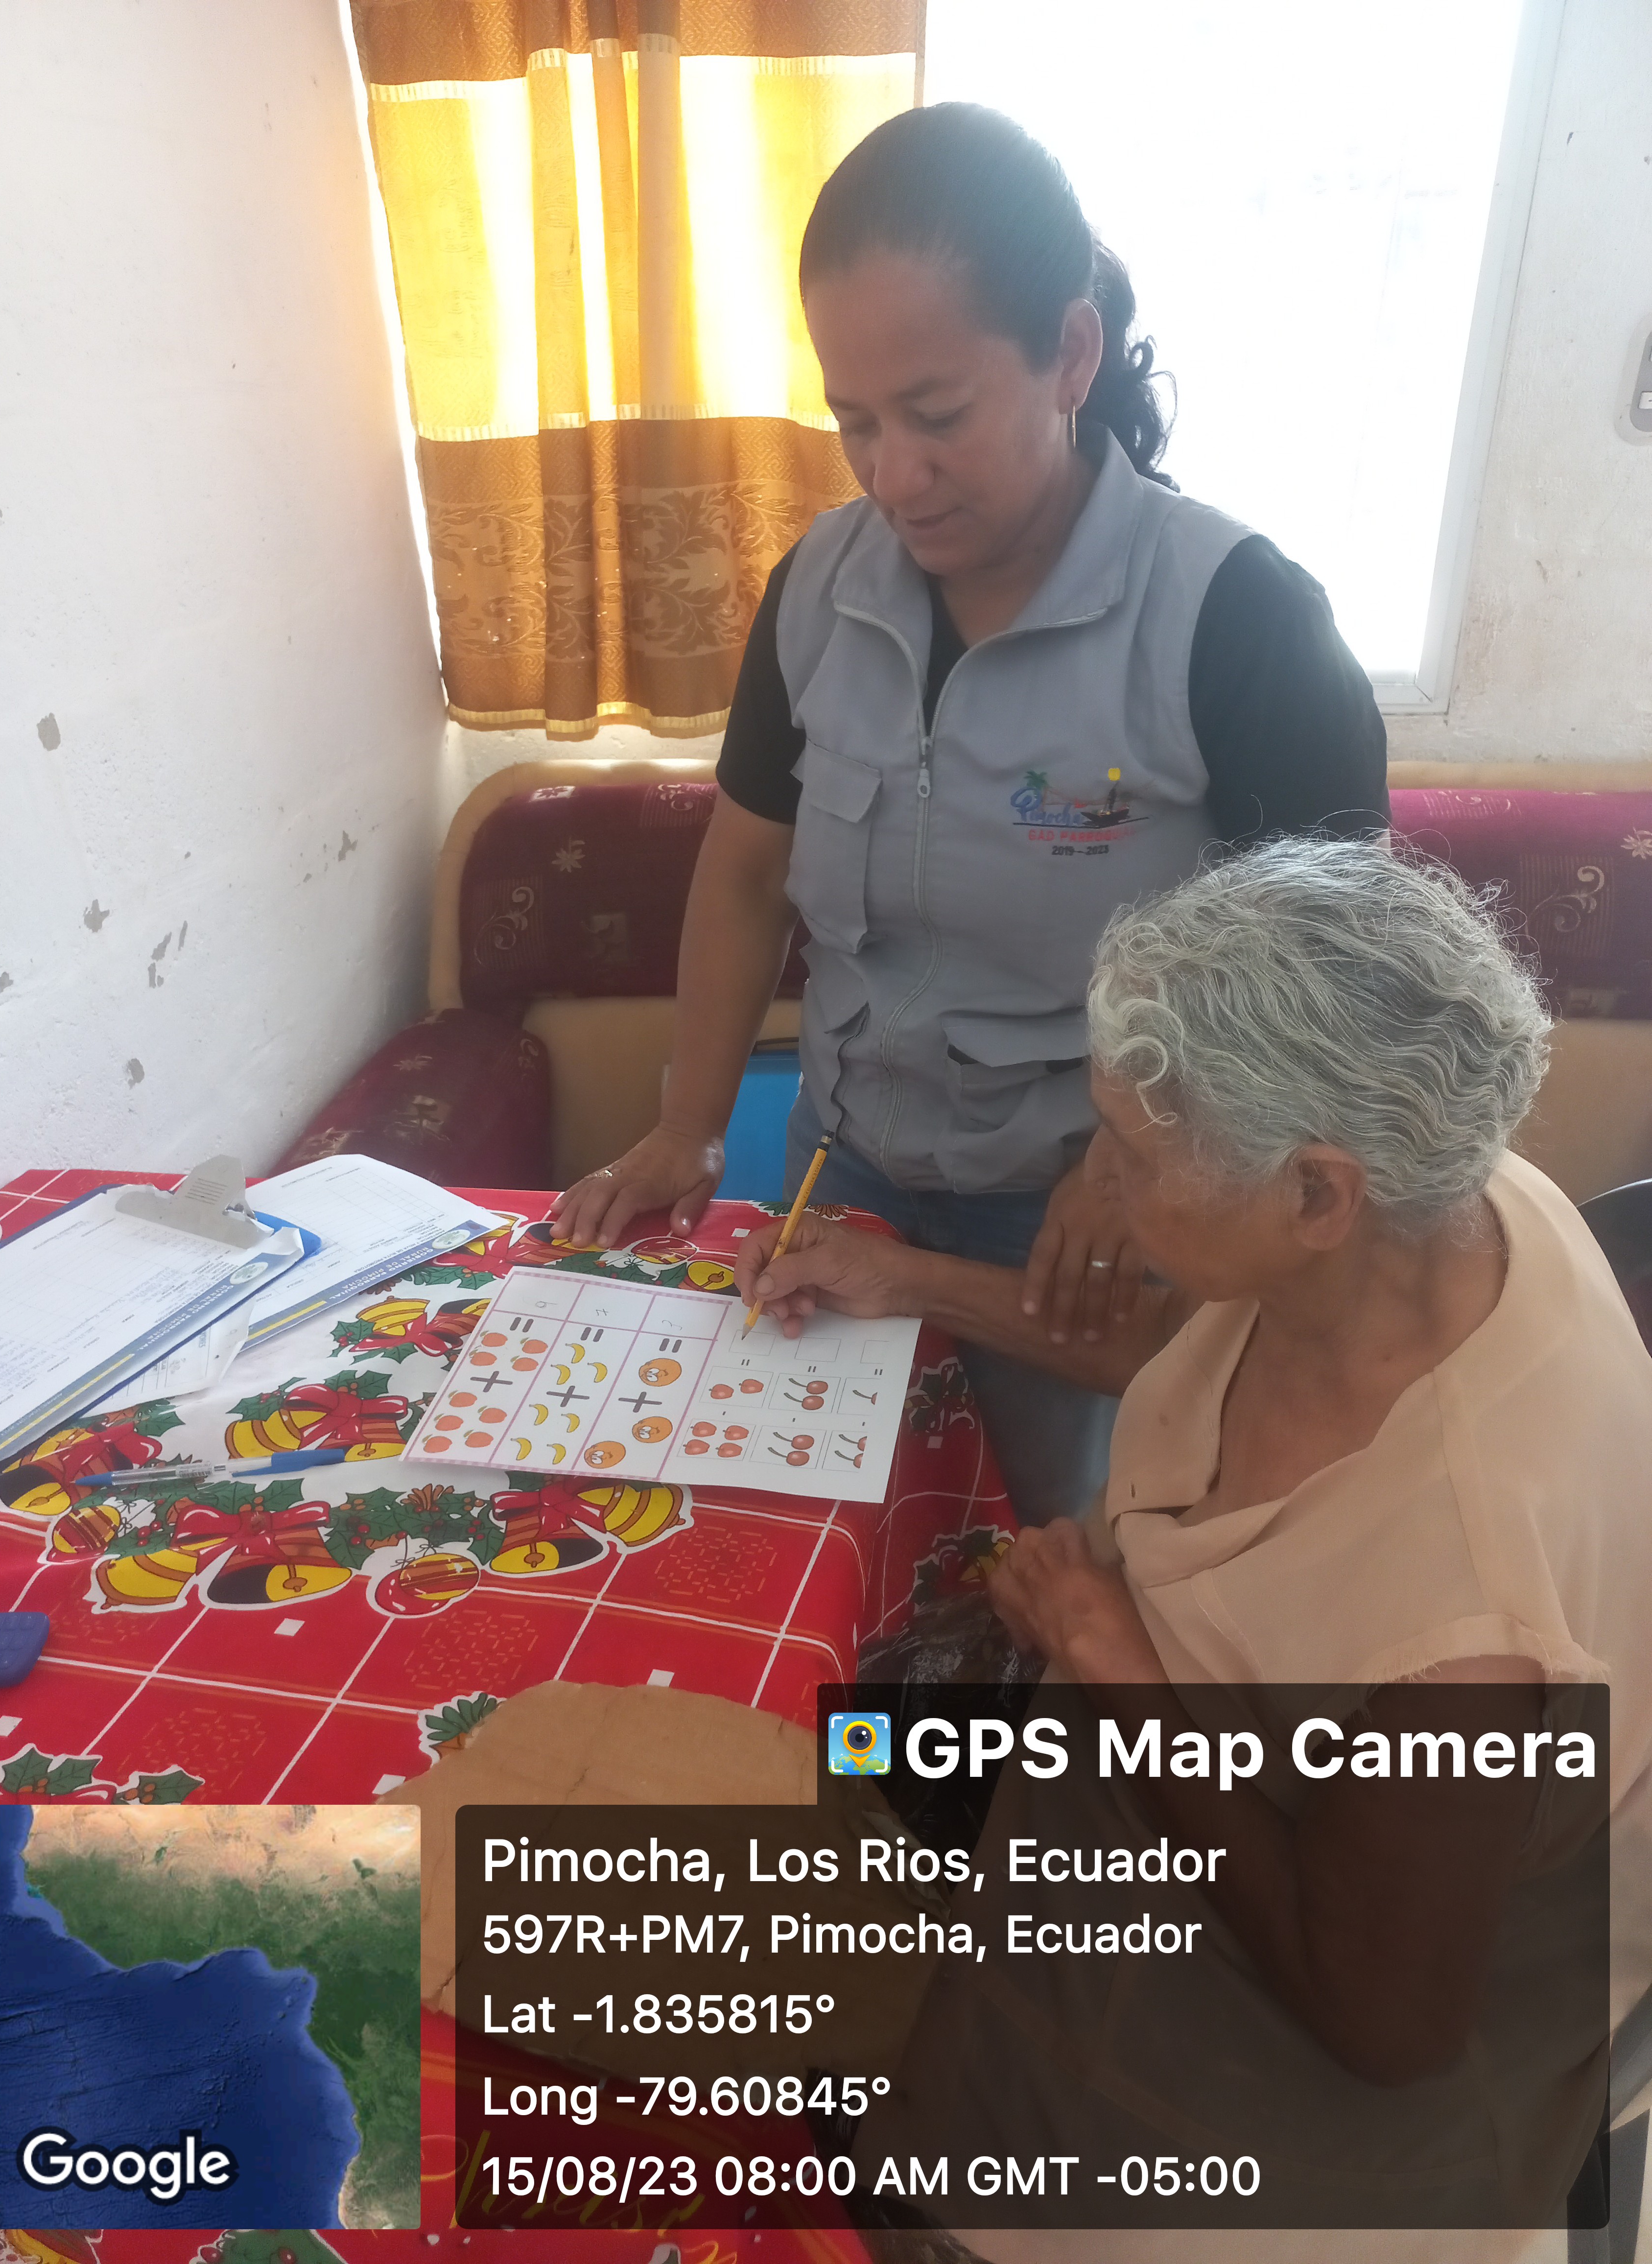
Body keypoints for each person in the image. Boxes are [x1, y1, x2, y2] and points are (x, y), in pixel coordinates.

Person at [733, 838, 1652, 2263]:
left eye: (1136, 1153)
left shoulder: (1465, 1616)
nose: (1095, 1180)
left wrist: (1115, 1665)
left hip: (1304, 2090)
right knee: (817, 1750)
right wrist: (911, 1281)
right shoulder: (1451, 1202)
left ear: (1315, 1195)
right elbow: (1200, 1350)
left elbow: (1383, 2025)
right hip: (1145, 1779)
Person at [549, 102, 1389, 1525]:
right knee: (818, 1544)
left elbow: (1334, 978)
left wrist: (1133, 1157)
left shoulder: (1238, 621)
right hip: (845, 1171)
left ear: (1070, 355)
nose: (893, 477)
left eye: (936, 417)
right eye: (855, 423)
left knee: (1049, 1552)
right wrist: (690, 1126)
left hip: (1087, 1225)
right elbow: (744, 875)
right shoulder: (818, 593)